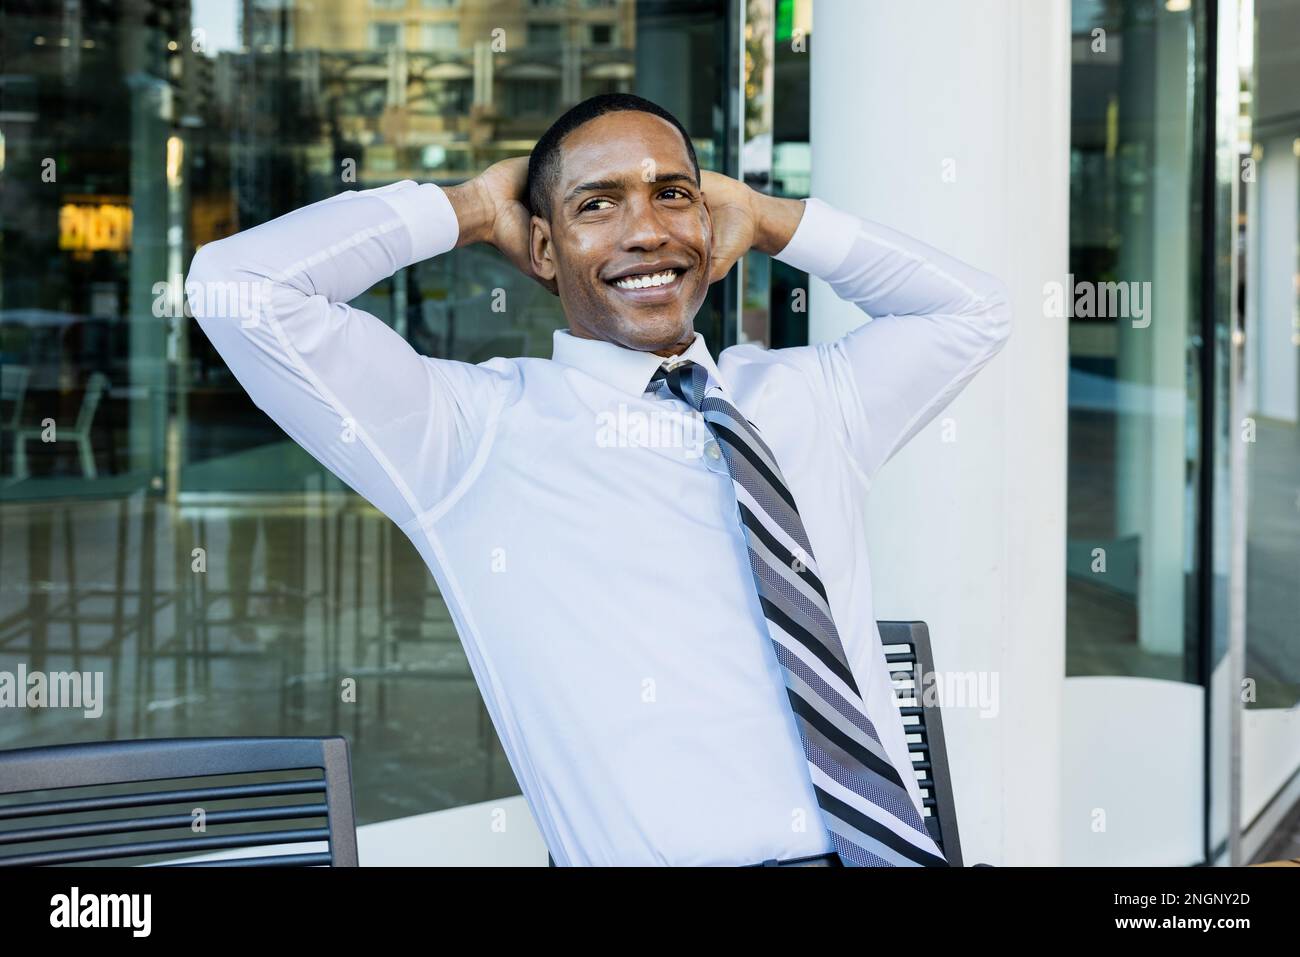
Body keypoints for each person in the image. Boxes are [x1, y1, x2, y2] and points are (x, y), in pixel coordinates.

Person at [186, 93, 1012, 867]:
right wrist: (472, 206)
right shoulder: (469, 434)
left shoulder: (810, 400)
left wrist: (769, 218)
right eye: (596, 204)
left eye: (673, 195)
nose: (647, 231)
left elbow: (974, 312)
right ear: (541, 248)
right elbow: (238, 289)